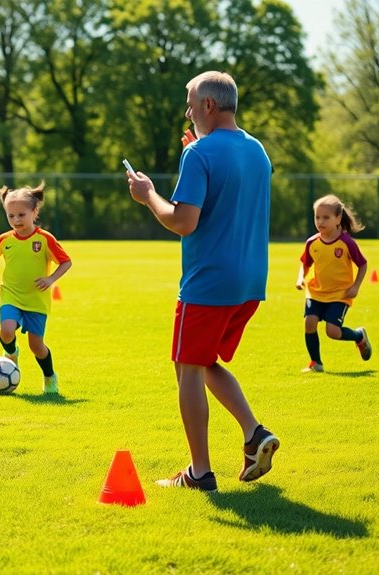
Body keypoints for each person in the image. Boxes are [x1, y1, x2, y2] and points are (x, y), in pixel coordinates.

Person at [127, 71, 279, 492]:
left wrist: (148, 195)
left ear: (209, 106)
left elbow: (183, 221)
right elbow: (228, 187)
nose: (187, 110)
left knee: (187, 368)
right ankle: (254, 434)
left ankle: (199, 473)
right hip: (250, 281)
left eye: (191, 102)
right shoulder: (256, 149)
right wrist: (199, 151)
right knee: (205, 361)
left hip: (209, 282)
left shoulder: (199, 155)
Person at [0, 182, 71, 394]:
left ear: (34, 212)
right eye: (11, 216)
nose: (16, 220)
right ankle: (11, 352)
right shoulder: (5, 240)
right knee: (6, 330)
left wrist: (51, 279)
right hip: (10, 294)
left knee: (36, 346)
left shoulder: (45, 239)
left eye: (21, 215)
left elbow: (66, 262)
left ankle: (49, 376)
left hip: (36, 300)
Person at [296, 194, 373, 372]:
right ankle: (316, 363)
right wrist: (300, 278)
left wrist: (355, 286)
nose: (320, 221)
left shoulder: (347, 243)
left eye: (326, 217)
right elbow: (305, 263)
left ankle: (359, 336)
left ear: (338, 219)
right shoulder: (312, 243)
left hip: (340, 295)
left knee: (333, 332)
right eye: (317, 217)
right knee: (309, 323)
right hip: (316, 292)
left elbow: (363, 264)